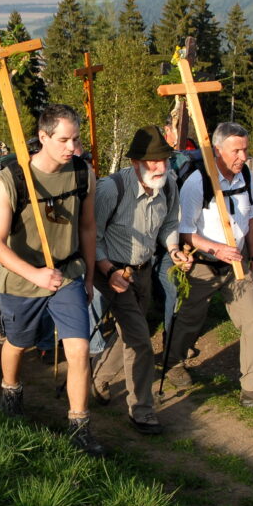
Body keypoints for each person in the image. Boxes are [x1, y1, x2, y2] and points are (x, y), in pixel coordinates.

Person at [0, 104, 103, 455]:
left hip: (68, 273)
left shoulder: (83, 174)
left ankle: (79, 426)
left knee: (79, 349)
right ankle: (11, 389)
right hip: (23, 278)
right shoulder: (12, 178)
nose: (73, 147)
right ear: (43, 137)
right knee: (18, 344)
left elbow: (86, 226)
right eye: (64, 140)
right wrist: (34, 272)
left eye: (76, 139)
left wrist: (88, 276)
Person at [165, 122, 253, 410]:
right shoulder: (198, 182)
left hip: (237, 267)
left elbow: (252, 218)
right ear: (218, 150)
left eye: (245, 149)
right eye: (236, 150)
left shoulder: (244, 175)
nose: (242, 156)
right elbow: (184, 230)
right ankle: (172, 363)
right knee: (190, 321)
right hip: (204, 265)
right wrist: (215, 248)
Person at [91, 126, 192, 435]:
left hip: (143, 271)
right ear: (135, 162)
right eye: (152, 162)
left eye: (164, 159)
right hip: (111, 273)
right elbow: (91, 236)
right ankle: (142, 410)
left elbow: (170, 223)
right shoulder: (111, 189)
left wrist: (173, 249)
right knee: (141, 341)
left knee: (130, 335)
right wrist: (109, 271)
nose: (160, 167)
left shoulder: (169, 184)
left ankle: (99, 378)